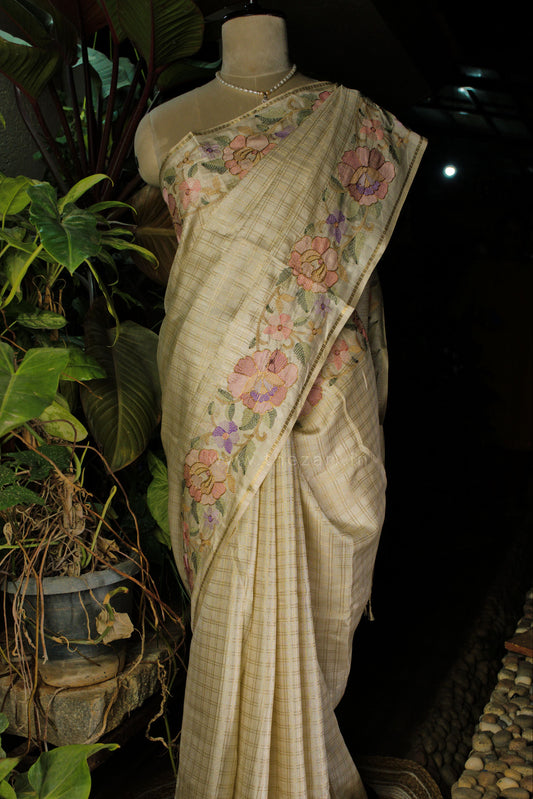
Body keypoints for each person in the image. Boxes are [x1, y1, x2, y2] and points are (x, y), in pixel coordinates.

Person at [135, 10, 426, 798]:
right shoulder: (163, 129)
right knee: (234, 576)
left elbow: (352, 289)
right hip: (212, 387)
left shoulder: (349, 121)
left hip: (320, 391)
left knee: (314, 575)